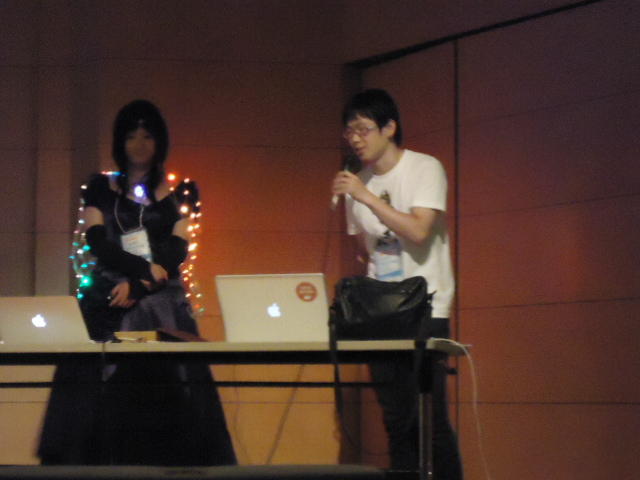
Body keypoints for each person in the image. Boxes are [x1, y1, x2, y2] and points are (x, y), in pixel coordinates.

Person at [38, 99, 237, 466]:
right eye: (131, 136)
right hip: (110, 291)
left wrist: (141, 285)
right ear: (120, 141)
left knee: (174, 376)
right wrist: (139, 273)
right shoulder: (100, 187)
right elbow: (97, 240)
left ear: (159, 140)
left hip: (161, 297)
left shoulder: (181, 192)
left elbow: (177, 250)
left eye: (147, 135)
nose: (140, 144)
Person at [332, 89, 463, 478]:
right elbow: (364, 250)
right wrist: (360, 195)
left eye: (363, 129)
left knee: (430, 421)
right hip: (381, 313)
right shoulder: (357, 183)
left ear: (389, 127)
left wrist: (368, 198)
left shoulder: (424, 168)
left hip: (425, 307)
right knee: (395, 420)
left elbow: (420, 231)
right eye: (349, 131)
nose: (355, 139)